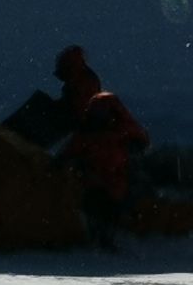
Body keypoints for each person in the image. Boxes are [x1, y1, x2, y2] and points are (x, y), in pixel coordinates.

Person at [61, 86, 150, 247]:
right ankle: (101, 235)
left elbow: (139, 143)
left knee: (109, 205)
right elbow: (69, 152)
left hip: (114, 179)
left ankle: (105, 235)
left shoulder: (122, 131)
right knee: (100, 205)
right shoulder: (89, 133)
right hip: (98, 179)